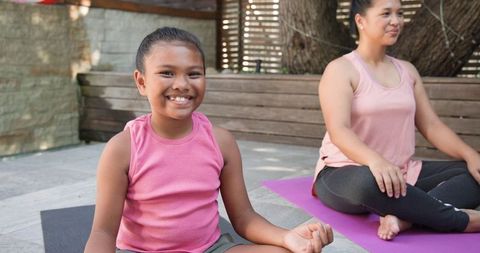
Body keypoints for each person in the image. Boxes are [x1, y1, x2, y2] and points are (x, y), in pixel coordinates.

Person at [84, 27, 333, 253]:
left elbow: (244, 216)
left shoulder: (221, 142)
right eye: (167, 73)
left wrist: (287, 237)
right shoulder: (122, 148)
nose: (181, 84)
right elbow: (103, 231)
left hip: (210, 249)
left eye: (193, 74)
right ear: (141, 82)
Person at [313, 0, 480, 241]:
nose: (396, 21)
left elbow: (431, 126)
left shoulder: (407, 71)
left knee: (474, 173)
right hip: (345, 172)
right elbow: (339, 130)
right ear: (361, 20)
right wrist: (375, 161)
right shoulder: (341, 69)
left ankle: (404, 218)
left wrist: (470, 155)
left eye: (399, 13)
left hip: (402, 174)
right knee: (368, 183)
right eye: (386, 14)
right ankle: (461, 220)